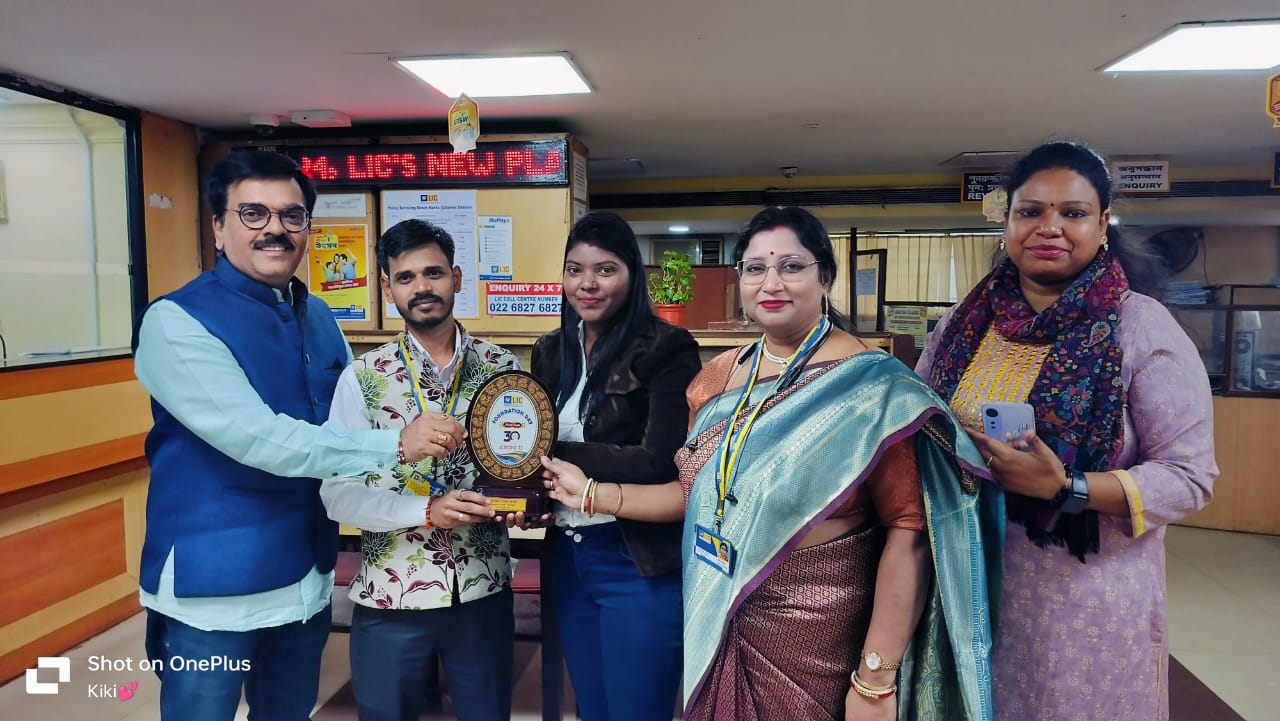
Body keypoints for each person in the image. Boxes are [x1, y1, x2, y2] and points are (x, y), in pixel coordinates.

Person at [541, 206, 999, 721]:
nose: (771, 283)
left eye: (791, 266)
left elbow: (910, 533)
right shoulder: (717, 378)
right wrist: (586, 492)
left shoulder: (875, 391)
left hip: (814, 635)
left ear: (825, 275)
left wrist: (874, 679)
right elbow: (690, 496)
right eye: (755, 268)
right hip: (717, 610)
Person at [132, 149, 453, 721]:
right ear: (218, 225)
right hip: (216, 586)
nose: (275, 229)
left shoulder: (319, 316)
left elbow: (341, 423)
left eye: (292, 215)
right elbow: (257, 437)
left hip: (305, 575)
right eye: (253, 213)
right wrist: (396, 444)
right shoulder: (176, 321)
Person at [915, 141, 1218, 721]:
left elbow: (1189, 477)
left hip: (1082, 596)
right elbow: (919, 420)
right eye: (1030, 212)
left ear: (1103, 224)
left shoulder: (1138, 326)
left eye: (1073, 213)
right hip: (964, 573)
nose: (1048, 228)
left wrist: (1068, 487)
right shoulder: (965, 322)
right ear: (1006, 222)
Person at [320, 218, 521, 721]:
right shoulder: (363, 377)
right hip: (392, 595)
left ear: (456, 277)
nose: (422, 287)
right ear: (388, 289)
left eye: (433, 273)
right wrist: (426, 510)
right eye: (405, 277)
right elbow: (336, 494)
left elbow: (520, 467)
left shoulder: (502, 367)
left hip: (482, 587)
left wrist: (525, 504)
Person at [529, 211, 702, 721]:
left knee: (636, 709)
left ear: (631, 273)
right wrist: (527, 485)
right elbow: (531, 442)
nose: (587, 283)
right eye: (574, 269)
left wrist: (548, 454)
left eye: (605, 269)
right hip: (568, 554)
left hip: (635, 558)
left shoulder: (668, 348)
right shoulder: (551, 350)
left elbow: (660, 459)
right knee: (593, 708)